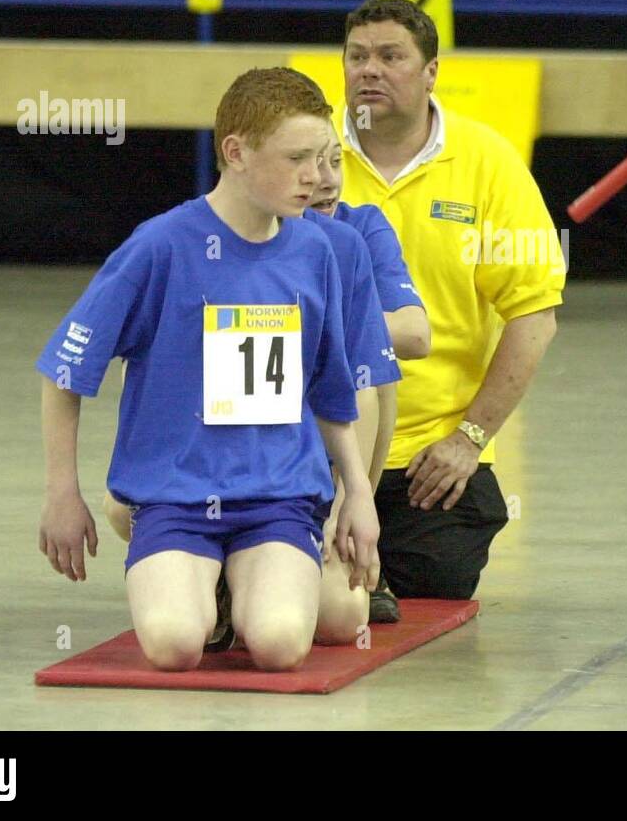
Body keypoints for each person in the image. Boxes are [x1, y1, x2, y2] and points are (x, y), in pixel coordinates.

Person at [37, 67, 379, 670]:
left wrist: (358, 493)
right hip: (176, 497)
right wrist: (62, 492)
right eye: (296, 157)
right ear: (236, 152)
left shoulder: (316, 251)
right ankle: (202, 582)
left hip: (279, 498)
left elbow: (332, 391)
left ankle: (244, 585)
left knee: (279, 645)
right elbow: (65, 371)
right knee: (173, 647)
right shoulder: (160, 246)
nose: (316, 177)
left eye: (323, 158)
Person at [337, 0, 565, 600]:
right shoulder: (310, 156)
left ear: (432, 72)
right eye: (357, 56)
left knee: (433, 583)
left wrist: (469, 439)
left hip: (424, 451)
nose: (369, 70)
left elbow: (534, 316)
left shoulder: (488, 162)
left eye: (391, 56)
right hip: (316, 438)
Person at [308, 122, 431, 622]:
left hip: (332, 442)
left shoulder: (358, 230)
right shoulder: (210, 237)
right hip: (238, 442)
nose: (326, 181)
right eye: (305, 162)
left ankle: (347, 522)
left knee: (343, 618)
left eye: (335, 162)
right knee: (122, 508)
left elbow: (415, 335)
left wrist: (318, 323)